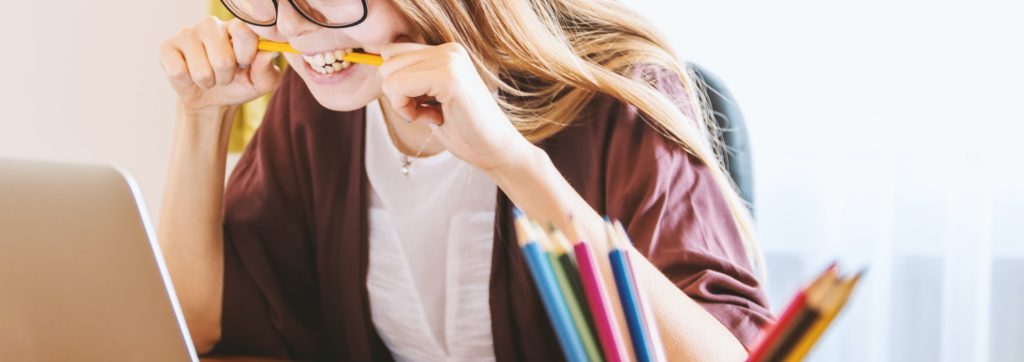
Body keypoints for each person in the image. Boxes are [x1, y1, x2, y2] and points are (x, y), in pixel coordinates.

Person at [157, 0, 772, 360]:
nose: (289, 27)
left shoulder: (616, 100)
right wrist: (202, 116)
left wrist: (513, 162)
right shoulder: (317, 107)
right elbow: (202, 321)